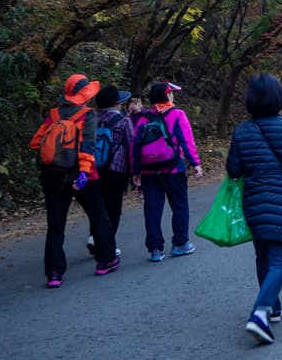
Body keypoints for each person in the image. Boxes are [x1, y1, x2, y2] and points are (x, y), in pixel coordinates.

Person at [227, 74, 282, 344]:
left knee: (262, 256)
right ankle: (260, 313)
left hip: (253, 197)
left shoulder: (241, 131)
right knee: (278, 260)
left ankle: (273, 307)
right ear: (279, 98)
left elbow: (234, 169)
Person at [29, 73, 118, 287]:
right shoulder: (87, 115)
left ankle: (54, 273)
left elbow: (36, 143)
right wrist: (83, 173)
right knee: (99, 216)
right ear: (84, 95)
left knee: (55, 226)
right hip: (81, 176)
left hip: (52, 176)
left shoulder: (53, 114)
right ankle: (105, 260)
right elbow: (88, 146)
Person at [132, 81, 203, 262]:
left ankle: (155, 249)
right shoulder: (177, 114)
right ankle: (180, 244)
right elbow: (187, 140)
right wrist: (195, 163)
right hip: (173, 168)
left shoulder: (143, 118)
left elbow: (135, 146)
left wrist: (136, 171)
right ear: (167, 95)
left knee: (152, 209)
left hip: (149, 171)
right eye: (171, 93)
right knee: (179, 205)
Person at [90, 84, 134, 257]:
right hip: (116, 169)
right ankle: (108, 244)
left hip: (93, 168)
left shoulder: (91, 119)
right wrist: (134, 173)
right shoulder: (123, 121)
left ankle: (94, 237)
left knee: (98, 206)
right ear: (116, 104)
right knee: (114, 209)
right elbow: (132, 145)